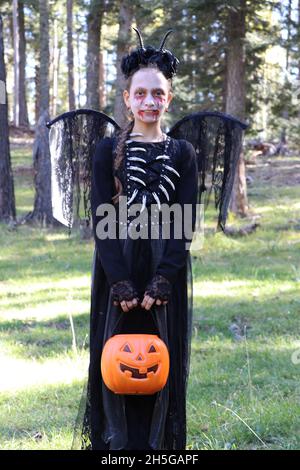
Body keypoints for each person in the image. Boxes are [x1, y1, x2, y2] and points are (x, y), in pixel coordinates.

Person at [72, 27, 199, 451]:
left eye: (158, 94)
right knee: (118, 356)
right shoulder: (108, 150)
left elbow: (185, 221)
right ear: (127, 99)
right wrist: (120, 280)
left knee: (159, 358)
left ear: (169, 99)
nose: (149, 102)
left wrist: (164, 277)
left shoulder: (182, 153)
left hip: (165, 266)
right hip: (118, 264)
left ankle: (161, 447)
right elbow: (100, 218)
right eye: (141, 94)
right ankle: (115, 445)